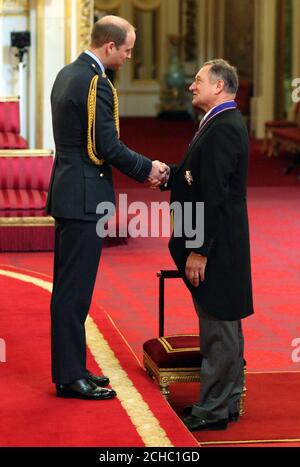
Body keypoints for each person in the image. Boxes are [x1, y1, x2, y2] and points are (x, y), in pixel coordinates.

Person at [46, 15, 168, 400]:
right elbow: (106, 147)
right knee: (74, 291)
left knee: (70, 288)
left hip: (68, 191)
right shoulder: (95, 82)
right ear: (110, 46)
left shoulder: (67, 73)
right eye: (128, 49)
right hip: (84, 198)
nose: (130, 57)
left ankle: (74, 368)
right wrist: (148, 169)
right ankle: (69, 377)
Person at [157, 59, 254, 430]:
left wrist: (200, 250)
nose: (191, 86)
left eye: (198, 80)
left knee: (218, 326)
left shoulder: (225, 127)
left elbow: (213, 196)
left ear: (219, 86)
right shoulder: (217, 122)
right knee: (222, 321)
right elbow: (198, 176)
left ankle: (213, 410)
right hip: (218, 241)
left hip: (217, 246)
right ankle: (226, 401)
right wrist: (169, 176)